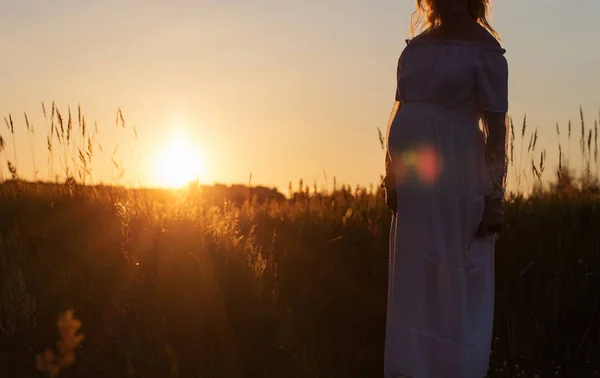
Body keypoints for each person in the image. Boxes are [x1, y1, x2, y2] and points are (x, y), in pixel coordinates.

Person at [381, 0, 508, 377]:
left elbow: (497, 130)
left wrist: (494, 197)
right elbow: (401, 110)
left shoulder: (486, 53)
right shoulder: (416, 49)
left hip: (459, 179)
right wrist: (392, 175)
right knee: (416, 279)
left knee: (453, 277)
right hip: (416, 185)